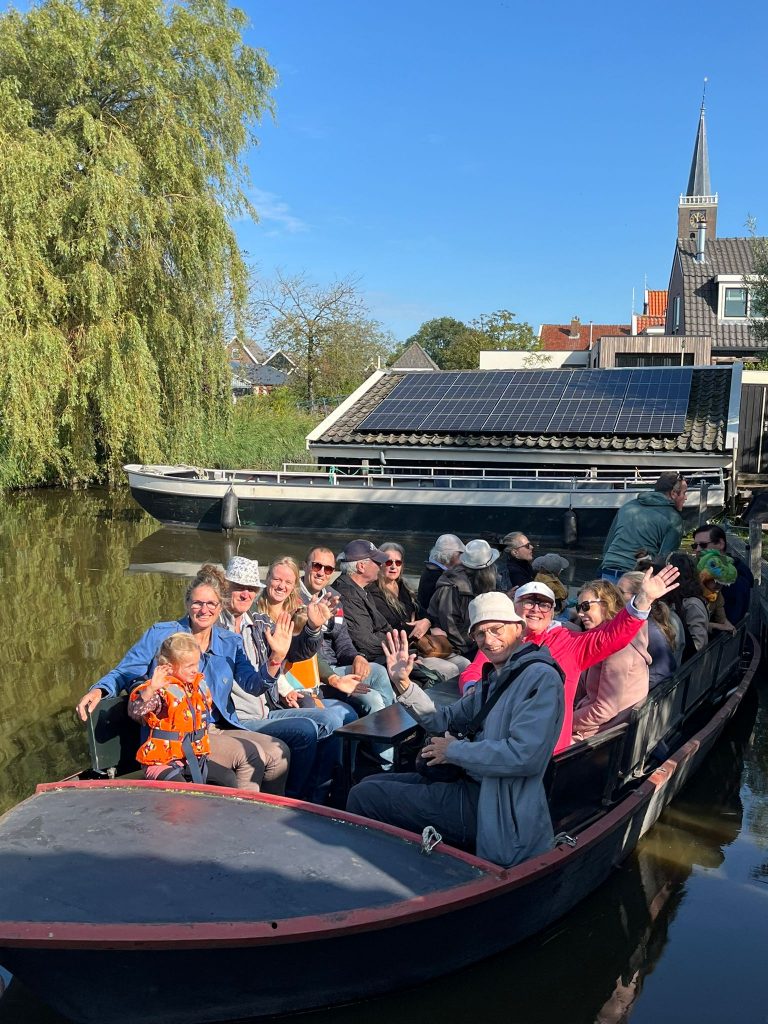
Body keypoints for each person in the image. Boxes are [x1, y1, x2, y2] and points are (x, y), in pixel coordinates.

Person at [346, 594, 565, 867]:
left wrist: (454, 751)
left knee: (364, 797)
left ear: (518, 628)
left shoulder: (540, 678)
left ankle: (384, 875)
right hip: (470, 786)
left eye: (497, 629)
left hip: (496, 807)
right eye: (480, 633)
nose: (489, 639)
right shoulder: (496, 678)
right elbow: (444, 720)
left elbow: (525, 756)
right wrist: (403, 683)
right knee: (368, 784)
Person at [76, 564, 289, 794]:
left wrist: (276, 658)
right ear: (187, 604)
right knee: (250, 756)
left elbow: (253, 685)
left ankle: (268, 814)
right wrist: (99, 690)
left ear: (220, 608)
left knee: (280, 753)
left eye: (211, 604)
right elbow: (125, 671)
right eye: (197, 603)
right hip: (182, 735)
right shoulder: (161, 634)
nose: (203, 610)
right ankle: (242, 819)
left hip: (220, 727)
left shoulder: (230, 642)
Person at [455, 567, 677, 750]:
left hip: (543, 745)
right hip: (497, 737)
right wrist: (474, 690)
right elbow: (474, 670)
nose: (535, 610)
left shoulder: (571, 641)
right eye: (528, 602)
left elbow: (612, 636)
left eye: (544, 604)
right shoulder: (502, 637)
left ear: (552, 611)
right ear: (515, 606)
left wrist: (643, 600)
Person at [221, 556, 357, 802]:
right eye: (238, 587)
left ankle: (325, 793)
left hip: (269, 702)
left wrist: (313, 628)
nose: (245, 594)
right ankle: (299, 798)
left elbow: (293, 654)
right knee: (314, 724)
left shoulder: (256, 624)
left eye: (250, 589)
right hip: (243, 714)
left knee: (340, 716)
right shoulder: (224, 628)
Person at [128, 632, 213, 782]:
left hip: (191, 757)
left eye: (197, 664)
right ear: (169, 667)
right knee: (180, 788)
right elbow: (135, 712)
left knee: (228, 778)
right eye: (189, 666)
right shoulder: (159, 691)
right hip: (160, 762)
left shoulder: (196, 687)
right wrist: (150, 689)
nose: (195, 670)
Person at [572, 581, 650, 740]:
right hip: (594, 726)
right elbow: (581, 684)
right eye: (578, 607)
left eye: (586, 606)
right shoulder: (602, 639)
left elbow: (605, 710)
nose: (580, 613)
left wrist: (564, 722)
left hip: (601, 736)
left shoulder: (618, 650)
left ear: (606, 604)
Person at [600, 472, 687, 582]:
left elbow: (608, 545)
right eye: (684, 493)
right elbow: (665, 560)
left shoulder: (628, 506)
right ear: (674, 493)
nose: (686, 498)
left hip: (608, 568)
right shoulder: (674, 518)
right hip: (635, 575)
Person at [426, 539, 499, 659]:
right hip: (456, 646)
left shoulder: (479, 583)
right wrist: (475, 645)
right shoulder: (452, 587)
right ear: (486, 569)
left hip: (475, 640)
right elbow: (451, 625)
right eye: (493, 566)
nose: (495, 570)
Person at [618, 572, 678, 688]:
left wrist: (629, 693)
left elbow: (661, 671)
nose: (614, 595)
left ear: (638, 596)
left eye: (620, 592)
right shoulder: (630, 621)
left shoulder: (650, 629)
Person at [692, 523, 753, 624]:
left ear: (720, 544)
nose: (697, 550)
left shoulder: (733, 580)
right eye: (695, 545)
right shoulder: (703, 569)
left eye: (703, 545)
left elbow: (730, 621)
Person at [417, 534, 466, 611]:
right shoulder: (438, 576)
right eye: (461, 553)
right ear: (451, 555)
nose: (463, 557)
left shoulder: (430, 569)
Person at [697, 550, 738, 635]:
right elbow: (695, 625)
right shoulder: (693, 595)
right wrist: (720, 626)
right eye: (716, 582)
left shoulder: (717, 596)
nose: (719, 587)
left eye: (721, 584)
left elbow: (721, 618)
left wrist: (731, 627)